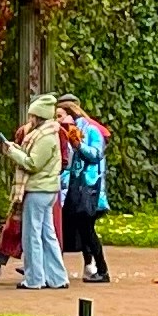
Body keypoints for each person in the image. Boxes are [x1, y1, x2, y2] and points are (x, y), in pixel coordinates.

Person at [9, 93, 68, 289]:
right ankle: (57, 277)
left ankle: (34, 279)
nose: (29, 120)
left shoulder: (45, 136)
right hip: (48, 190)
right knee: (46, 233)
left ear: (38, 117)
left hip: (38, 190)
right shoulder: (50, 133)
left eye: (31, 116)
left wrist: (12, 152)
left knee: (32, 234)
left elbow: (32, 163)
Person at [59, 96, 115, 281]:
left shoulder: (90, 130)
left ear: (70, 115)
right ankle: (96, 267)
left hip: (89, 186)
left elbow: (97, 154)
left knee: (87, 230)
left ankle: (101, 269)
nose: (57, 120)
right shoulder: (68, 131)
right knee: (81, 229)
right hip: (77, 186)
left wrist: (78, 145)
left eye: (60, 116)